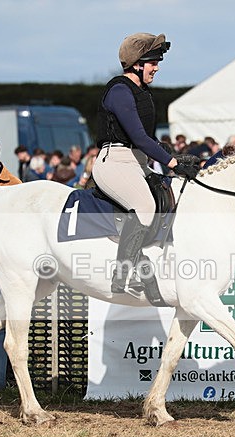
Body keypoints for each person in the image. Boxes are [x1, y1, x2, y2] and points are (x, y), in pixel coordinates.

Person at [93, 32, 199, 294]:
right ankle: (123, 275)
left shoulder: (142, 92)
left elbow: (147, 139)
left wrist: (176, 157)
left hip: (136, 163)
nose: (157, 67)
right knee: (144, 205)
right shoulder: (119, 91)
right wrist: (172, 162)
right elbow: (139, 137)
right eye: (153, 62)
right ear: (137, 64)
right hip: (114, 163)